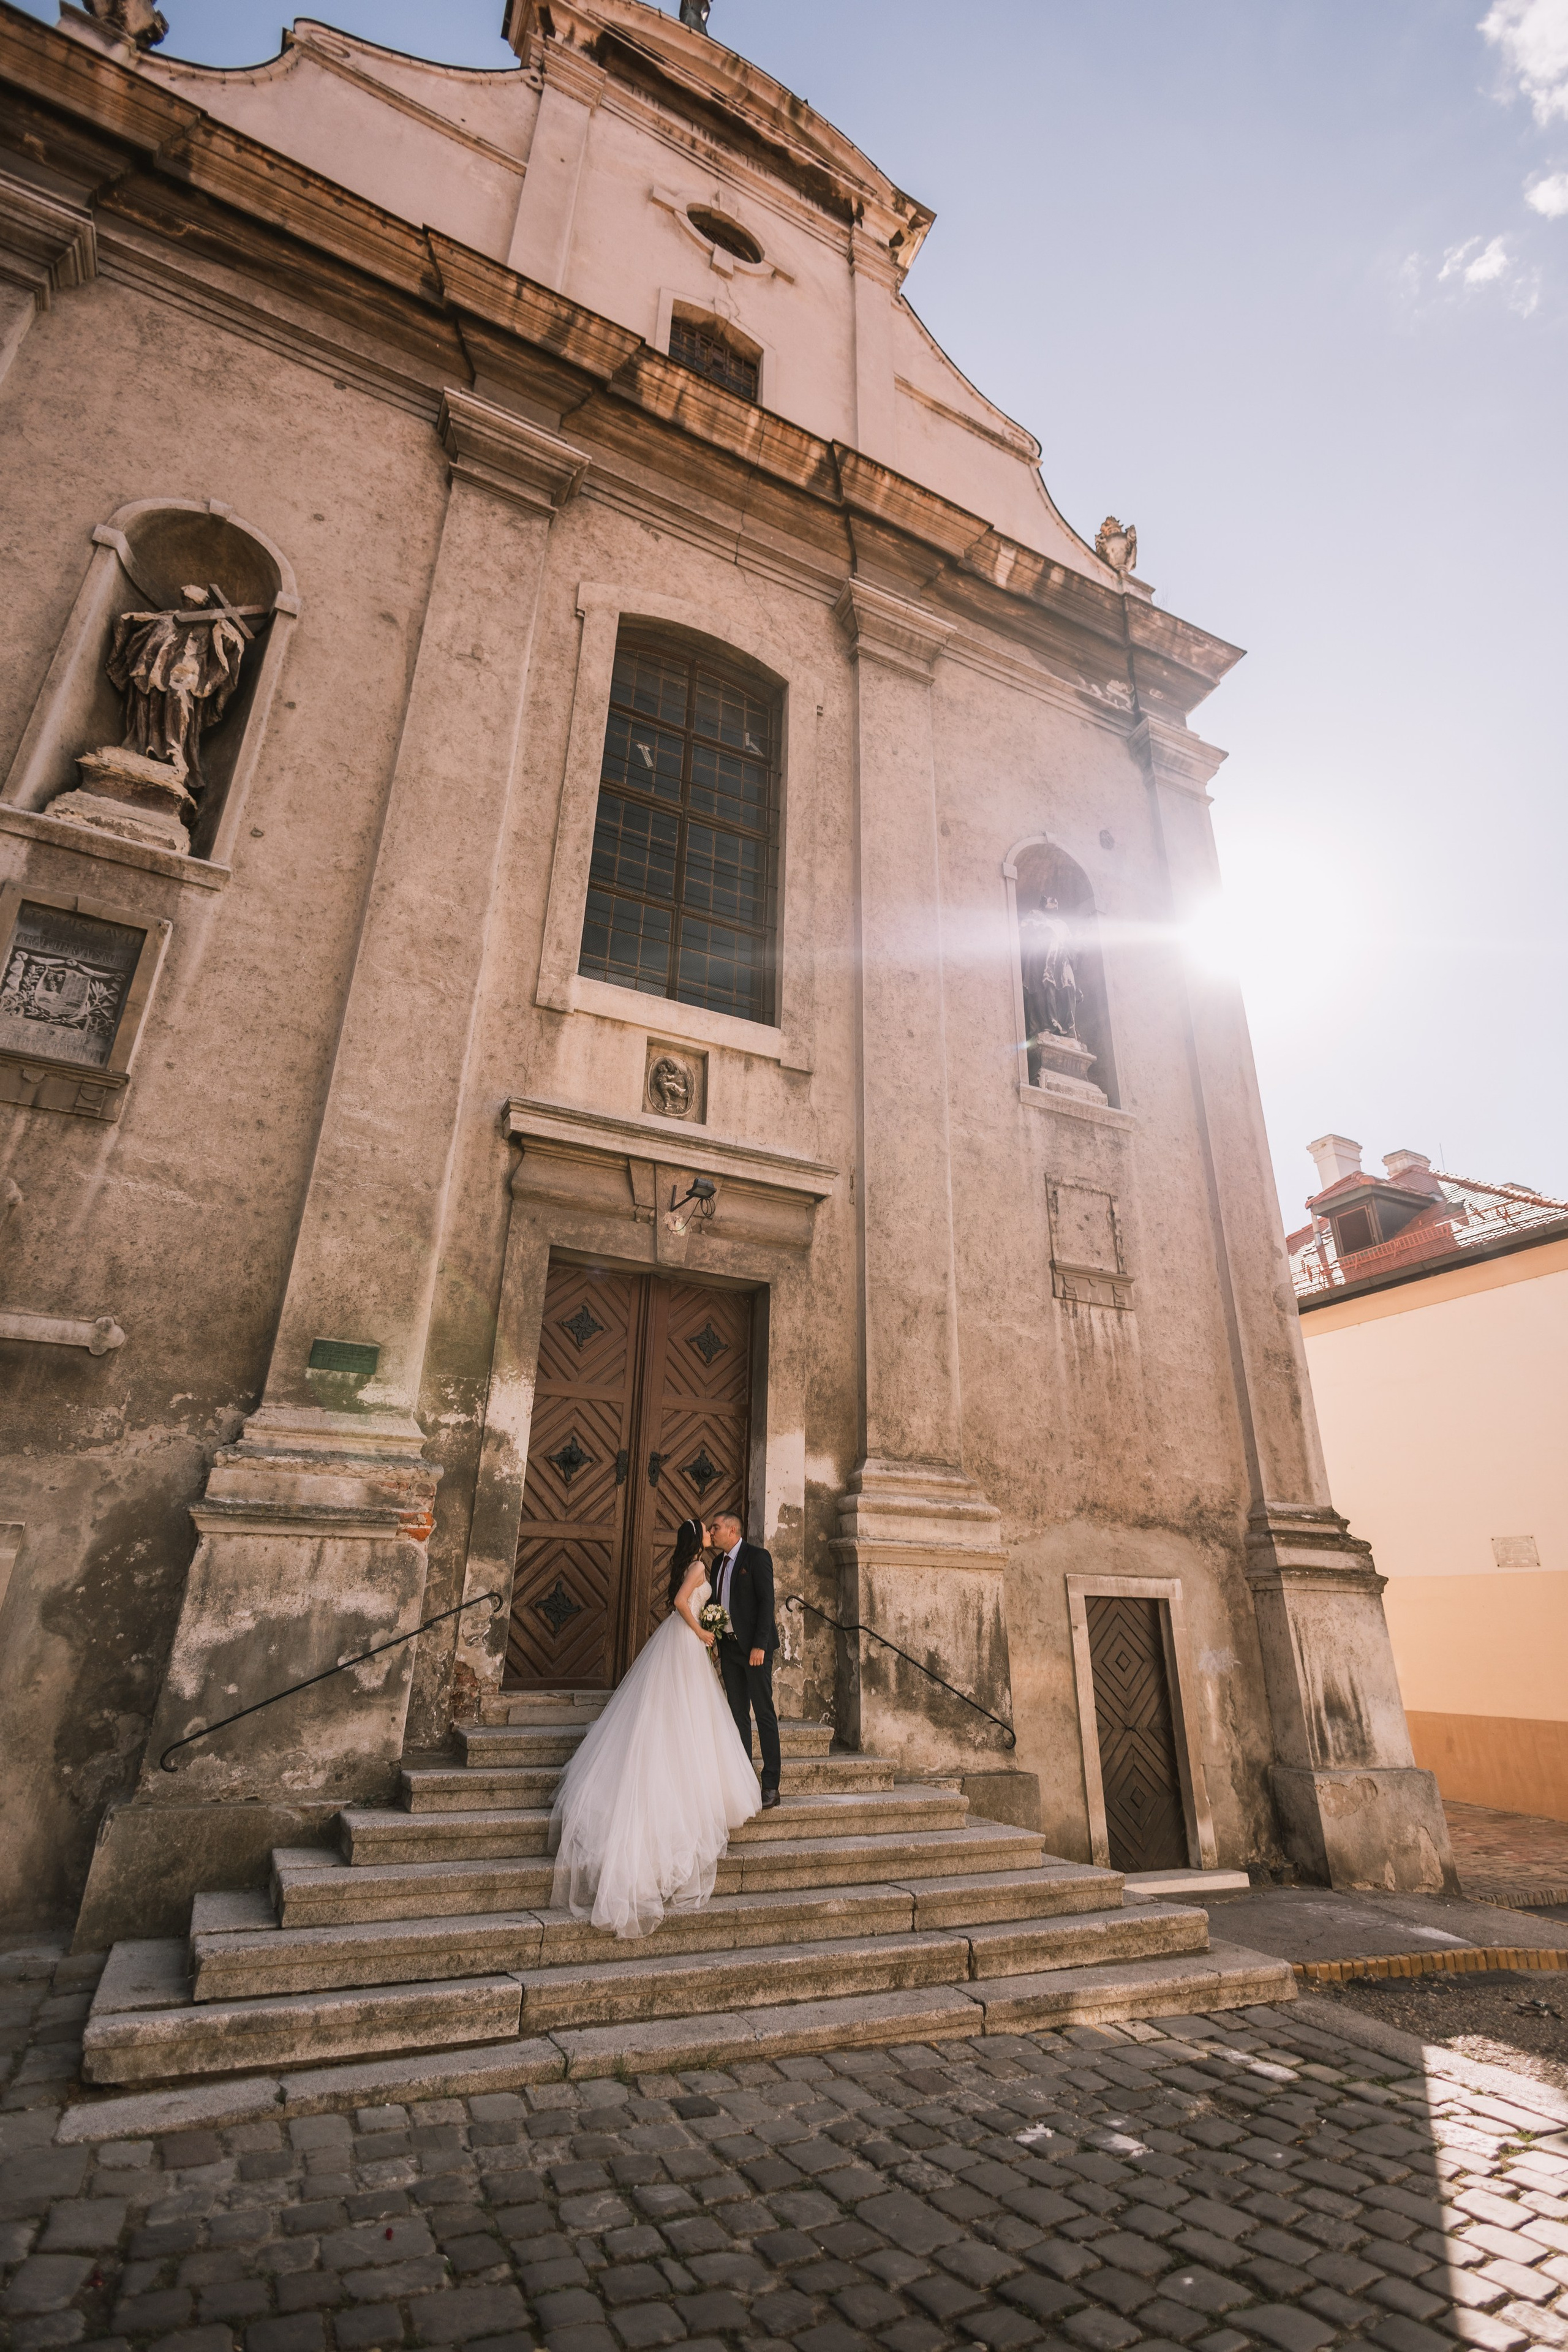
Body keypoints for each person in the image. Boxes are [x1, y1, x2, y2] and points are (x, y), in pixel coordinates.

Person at [547, 1516, 761, 1938]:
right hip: (685, 1641)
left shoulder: (689, 1564)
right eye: (705, 1528)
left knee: (677, 1710)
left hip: (677, 1642)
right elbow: (683, 1604)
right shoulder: (698, 1568)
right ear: (697, 1537)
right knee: (685, 1712)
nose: (710, 1531)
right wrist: (703, 1631)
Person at [707, 1510, 782, 1810]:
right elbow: (717, 1603)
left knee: (763, 1714)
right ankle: (745, 1782)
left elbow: (767, 1602)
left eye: (716, 1527)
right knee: (737, 1716)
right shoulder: (716, 1564)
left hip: (754, 1650)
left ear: (733, 1530)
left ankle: (771, 1786)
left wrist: (760, 1646)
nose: (712, 1532)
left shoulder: (757, 1557)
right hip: (729, 1650)